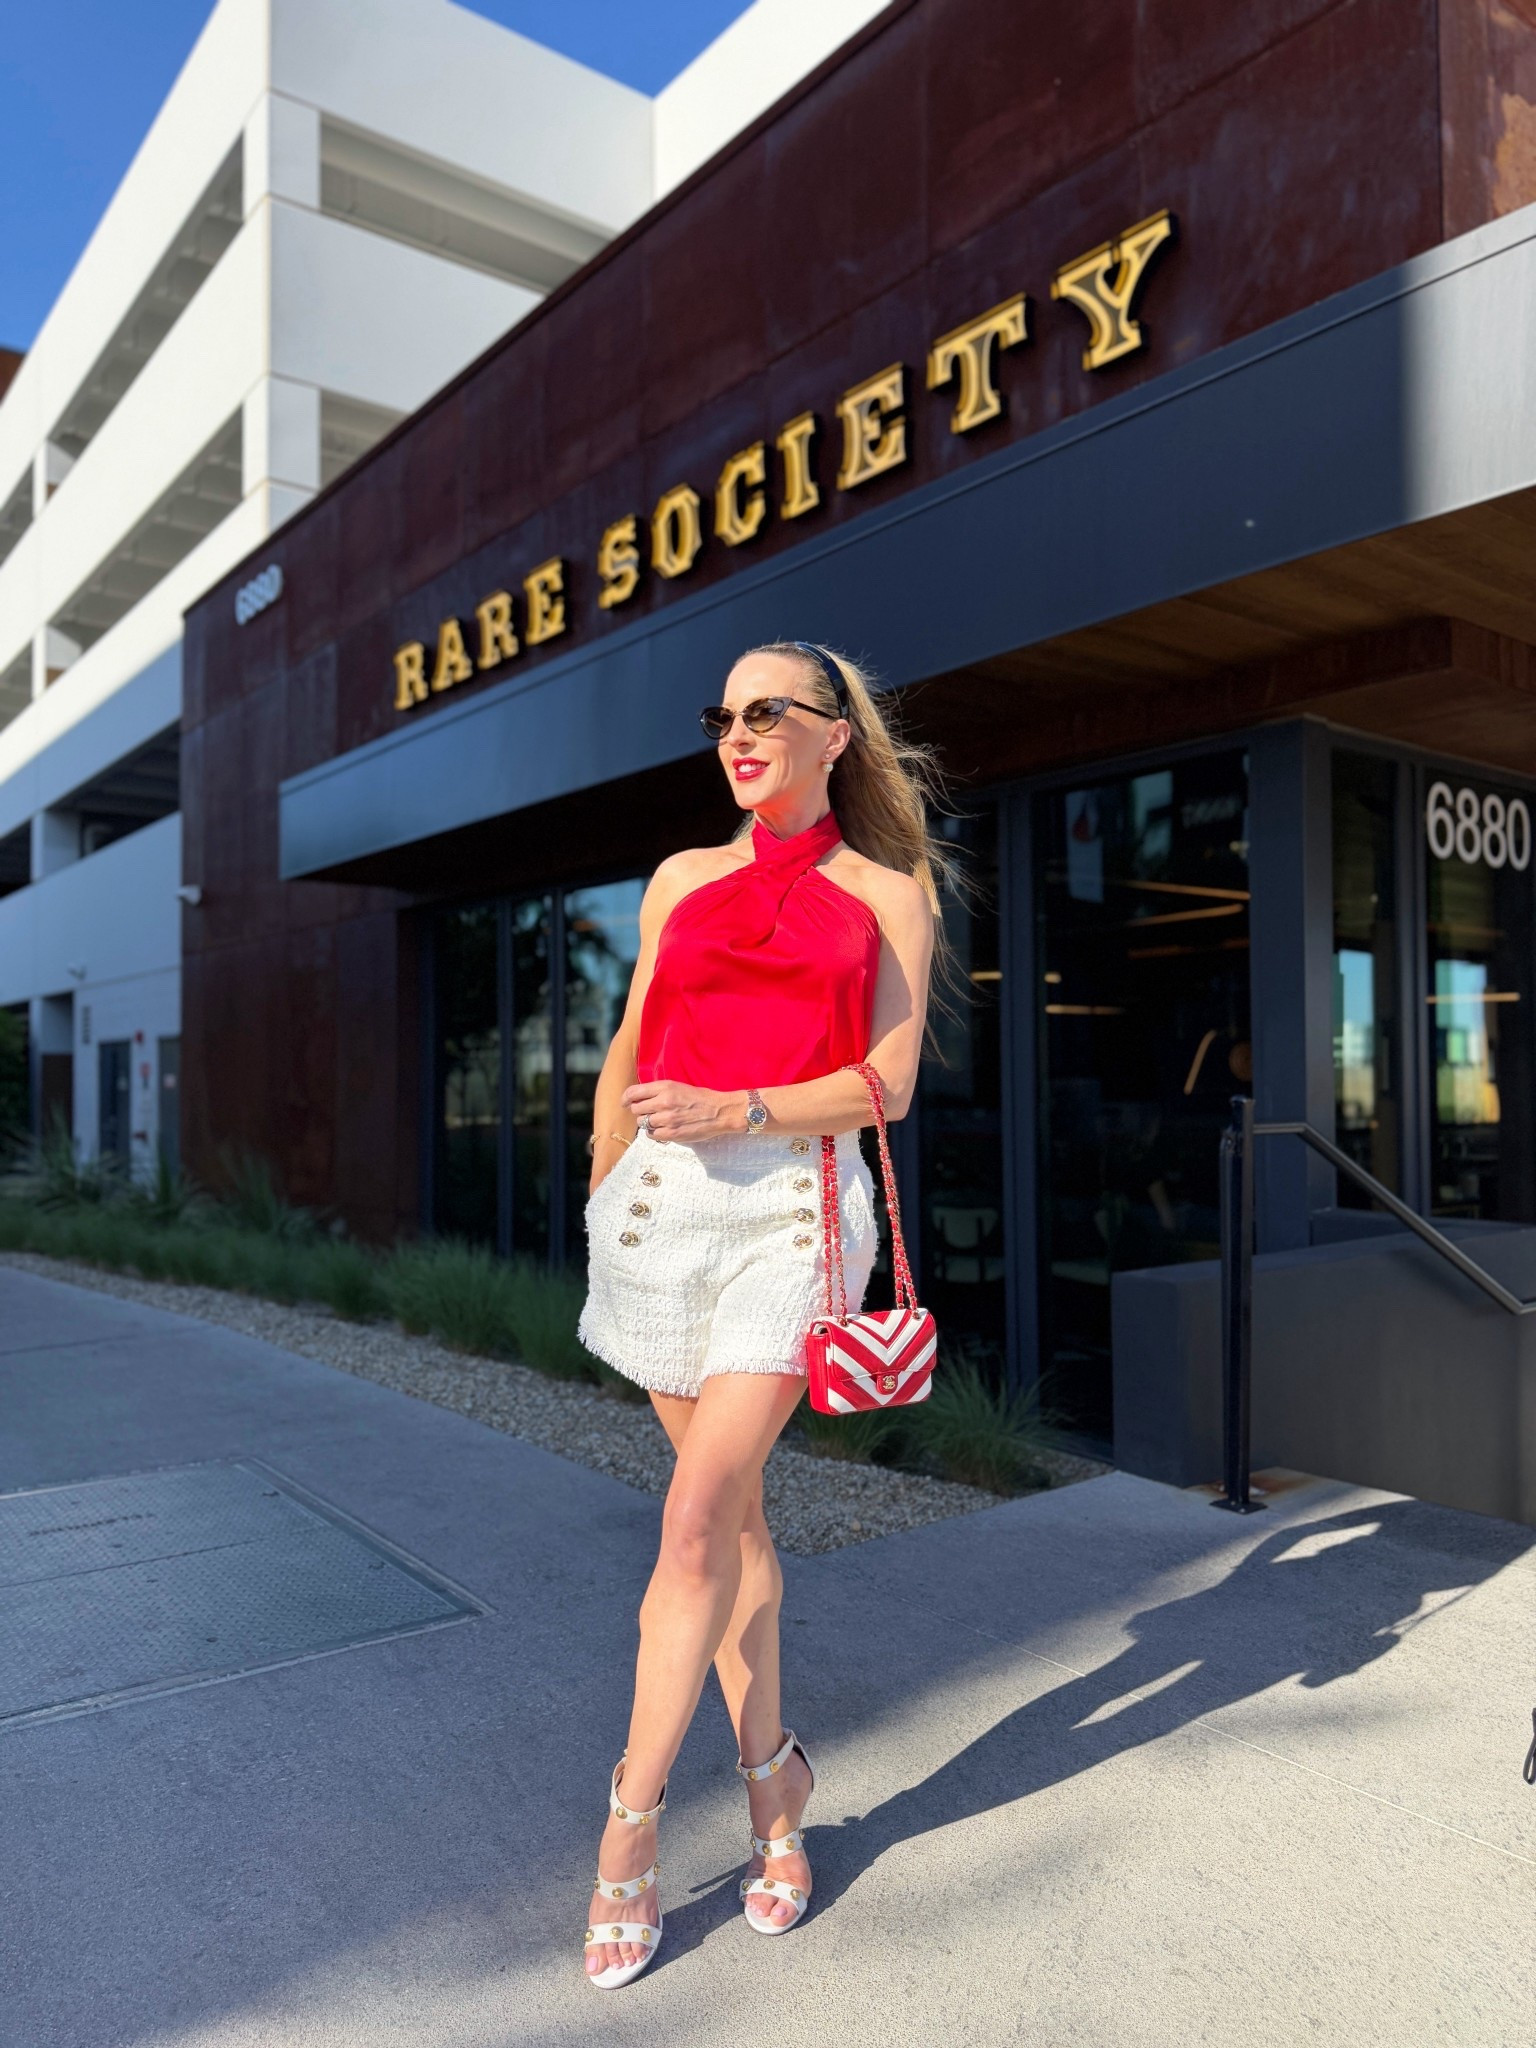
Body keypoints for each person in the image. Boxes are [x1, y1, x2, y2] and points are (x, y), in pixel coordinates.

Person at [576, 640, 959, 1988]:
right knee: (732, 1527)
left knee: (694, 1519)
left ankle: (626, 1830)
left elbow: (889, 1083)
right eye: (723, 716)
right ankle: (772, 1785)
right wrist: (603, 1180)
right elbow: (632, 1043)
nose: (737, 736)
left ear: (834, 735)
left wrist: (739, 1108)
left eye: (766, 713)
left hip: (794, 1210)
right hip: (660, 1210)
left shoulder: (889, 894)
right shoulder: (681, 879)